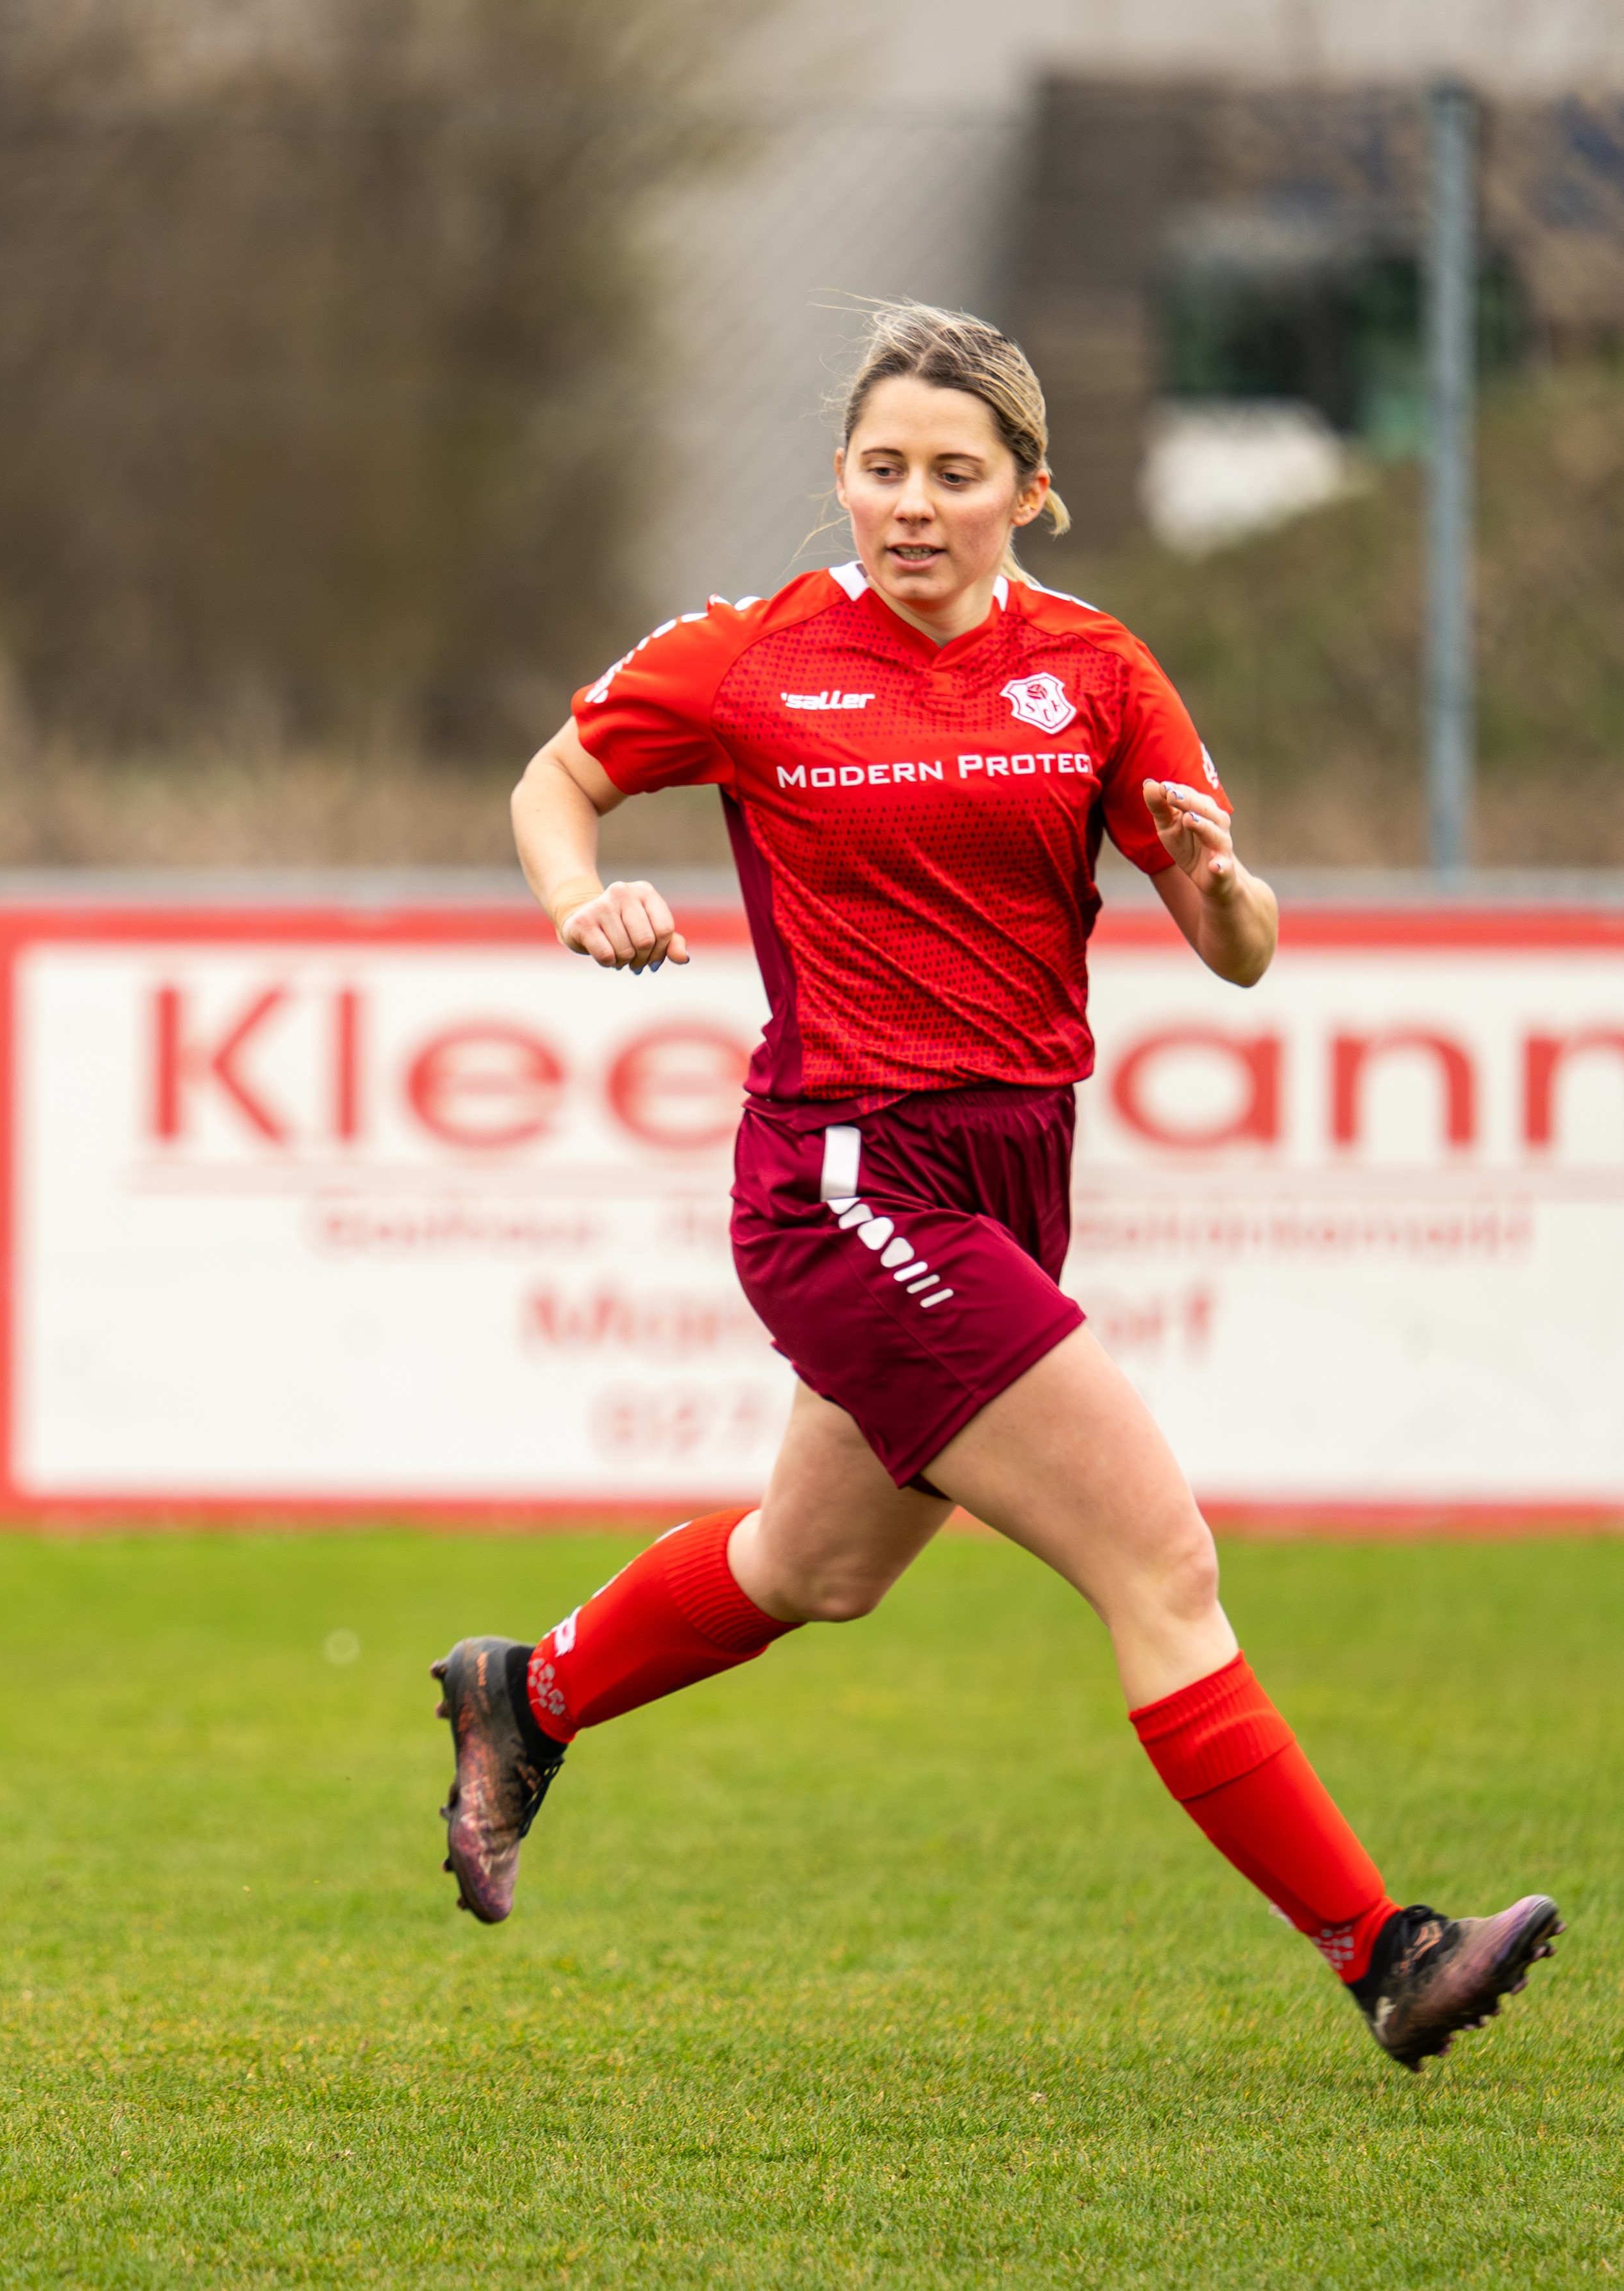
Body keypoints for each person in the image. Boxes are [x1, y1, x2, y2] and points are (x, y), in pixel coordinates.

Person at [431, 303, 1559, 2074]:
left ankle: (531, 1691)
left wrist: (1223, 889)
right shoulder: (754, 657)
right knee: (1161, 1561)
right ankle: (1384, 1951)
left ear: (1028, 491)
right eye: (882, 469)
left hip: (1013, 1167)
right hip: (845, 1174)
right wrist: (581, 900)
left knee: (814, 1564)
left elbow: (1241, 947)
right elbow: (558, 777)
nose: (913, 504)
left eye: (954, 474)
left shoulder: (1095, 671)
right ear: (841, 477)